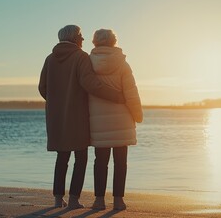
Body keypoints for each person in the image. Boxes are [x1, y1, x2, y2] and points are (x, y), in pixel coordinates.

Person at [38, 25, 125, 209]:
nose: (83, 38)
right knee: (81, 157)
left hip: (57, 117)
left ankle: (57, 199)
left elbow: (42, 87)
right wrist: (117, 96)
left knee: (62, 157)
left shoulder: (50, 59)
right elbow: (91, 84)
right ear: (73, 38)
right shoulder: (80, 57)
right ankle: (74, 200)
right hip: (78, 115)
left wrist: (56, 103)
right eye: (80, 35)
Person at [88, 29, 143, 211]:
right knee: (121, 162)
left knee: (100, 161)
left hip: (98, 121)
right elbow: (131, 93)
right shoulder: (122, 64)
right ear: (113, 42)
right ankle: (118, 200)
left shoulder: (88, 63)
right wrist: (138, 115)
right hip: (122, 120)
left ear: (95, 42)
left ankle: (99, 200)